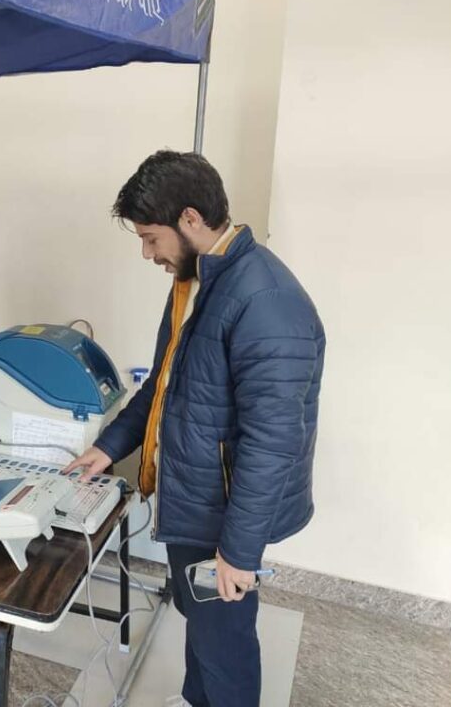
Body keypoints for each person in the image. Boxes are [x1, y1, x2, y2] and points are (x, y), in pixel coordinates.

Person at [64, 151, 324, 707]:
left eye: (151, 238)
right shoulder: (198, 281)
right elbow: (164, 386)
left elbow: (274, 440)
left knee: (224, 638)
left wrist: (239, 550)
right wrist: (109, 448)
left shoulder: (266, 300)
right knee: (200, 617)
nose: (148, 253)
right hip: (194, 492)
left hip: (224, 510)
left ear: (190, 219)